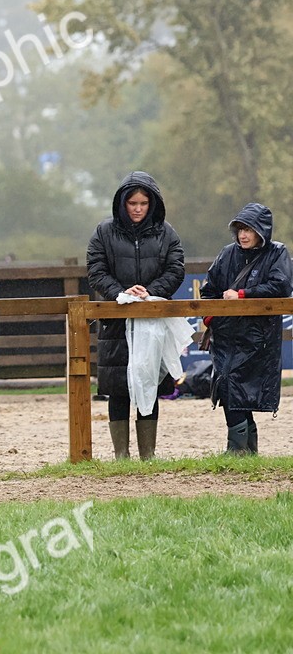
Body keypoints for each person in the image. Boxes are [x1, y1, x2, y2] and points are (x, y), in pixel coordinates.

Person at [87, 172, 185, 459]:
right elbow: (96, 268)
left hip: (152, 319)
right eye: (132, 202)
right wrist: (121, 292)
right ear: (123, 203)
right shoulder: (103, 232)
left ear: (152, 203)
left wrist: (150, 292)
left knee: (149, 383)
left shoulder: (167, 233)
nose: (138, 208)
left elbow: (176, 268)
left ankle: (148, 454)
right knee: (119, 388)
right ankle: (121, 455)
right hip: (116, 321)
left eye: (143, 202)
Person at [201, 203, 292, 454]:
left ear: (261, 231)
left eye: (249, 229)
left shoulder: (277, 253)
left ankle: (239, 449)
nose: (243, 234)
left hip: (258, 339)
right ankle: (244, 450)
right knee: (228, 388)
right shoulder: (227, 253)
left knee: (238, 392)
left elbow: (281, 287)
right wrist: (210, 317)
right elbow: (208, 290)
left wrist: (243, 294)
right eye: (240, 228)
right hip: (226, 336)